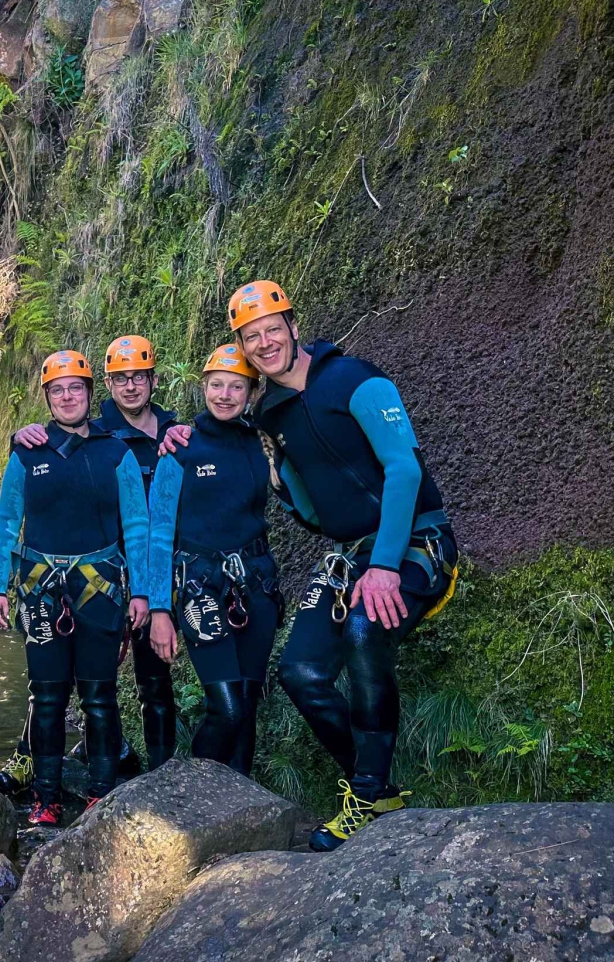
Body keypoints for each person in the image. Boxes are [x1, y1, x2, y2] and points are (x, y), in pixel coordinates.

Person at [164, 280, 457, 850]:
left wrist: (386, 565)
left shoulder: (356, 380)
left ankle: (367, 794)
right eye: (252, 338)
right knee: (299, 671)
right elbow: (306, 500)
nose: (265, 342)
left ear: (295, 327)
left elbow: (404, 471)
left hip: (415, 540)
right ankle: (374, 784)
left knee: (364, 627)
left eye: (273, 329)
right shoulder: (271, 414)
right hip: (350, 553)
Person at [0, 335, 176, 795]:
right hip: (40, 588)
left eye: (76, 388)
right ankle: (46, 796)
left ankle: (100, 794)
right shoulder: (27, 453)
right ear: (47, 397)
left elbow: (136, 526)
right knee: (47, 696)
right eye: (58, 390)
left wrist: (141, 593)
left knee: (98, 697)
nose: (68, 396)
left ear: (91, 394)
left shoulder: (116, 453)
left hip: (100, 588)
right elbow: (8, 522)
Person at [146, 344, 283, 778]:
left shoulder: (262, 444)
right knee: (225, 706)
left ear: (251, 391)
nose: (225, 394)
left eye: (236, 386)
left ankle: (241, 807)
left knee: (245, 705)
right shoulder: (180, 447)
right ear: (203, 387)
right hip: (200, 587)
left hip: (256, 585)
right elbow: (158, 533)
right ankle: (196, 794)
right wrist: (159, 611)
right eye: (217, 385)